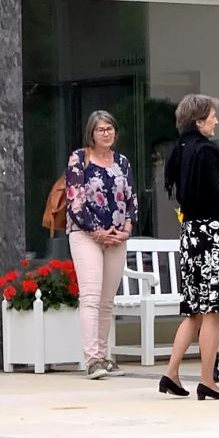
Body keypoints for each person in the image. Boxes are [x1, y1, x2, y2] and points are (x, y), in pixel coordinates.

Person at [160, 93, 219, 400]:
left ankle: (171, 373)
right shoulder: (206, 150)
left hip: (190, 233)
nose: (216, 120)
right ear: (199, 120)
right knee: (213, 310)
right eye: (212, 116)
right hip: (211, 233)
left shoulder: (180, 148)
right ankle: (207, 380)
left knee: (194, 310)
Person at [66, 110, 137, 380]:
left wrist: (127, 229)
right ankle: (92, 358)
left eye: (110, 129)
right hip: (86, 234)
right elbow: (75, 200)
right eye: (100, 129)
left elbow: (132, 198)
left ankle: (105, 356)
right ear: (91, 133)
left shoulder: (122, 161)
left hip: (117, 235)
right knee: (91, 297)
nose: (106, 133)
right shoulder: (79, 158)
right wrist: (96, 232)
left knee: (108, 301)